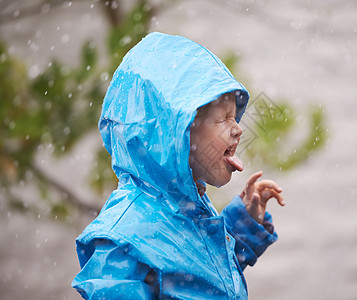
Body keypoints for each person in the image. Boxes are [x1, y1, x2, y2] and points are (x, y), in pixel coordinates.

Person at [72, 32, 285, 299]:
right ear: (177, 134)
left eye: (236, 117)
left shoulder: (188, 206)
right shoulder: (124, 239)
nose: (239, 129)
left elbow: (201, 276)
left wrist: (242, 226)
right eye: (223, 119)